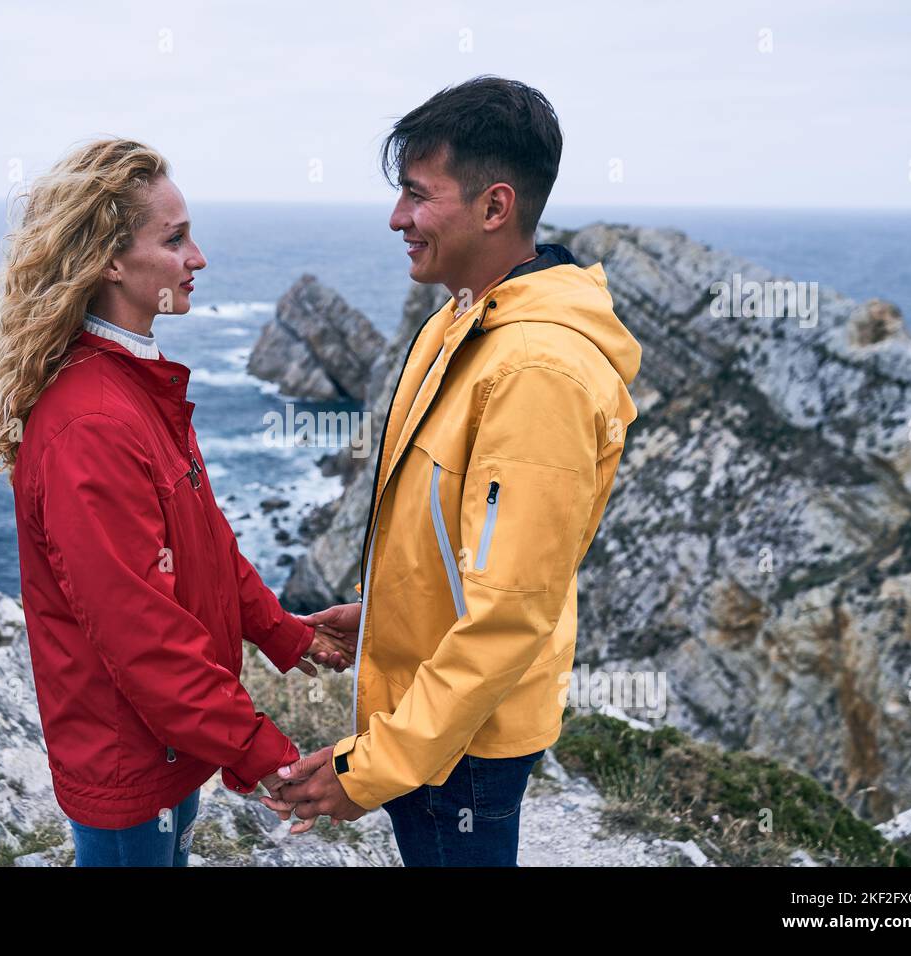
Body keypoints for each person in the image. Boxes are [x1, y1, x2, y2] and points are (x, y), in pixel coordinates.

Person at [265, 76, 643, 867]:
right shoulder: (464, 317)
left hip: (459, 747)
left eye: (416, 195)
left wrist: (368, 771)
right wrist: (386, 617)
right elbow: (463, 541)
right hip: (438, 720)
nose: (397, 218)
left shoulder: (536, 370)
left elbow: (508, 616)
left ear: (495, 207)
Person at [0, 138, 353, 866]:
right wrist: (267, 754)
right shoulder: (96, 423)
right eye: (175, 240)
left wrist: (282, 632)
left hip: (168, 744)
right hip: (128, 758)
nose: (197, 258)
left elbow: (205, 541)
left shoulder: (136, 387)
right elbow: (142, 637)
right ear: (112, 261)